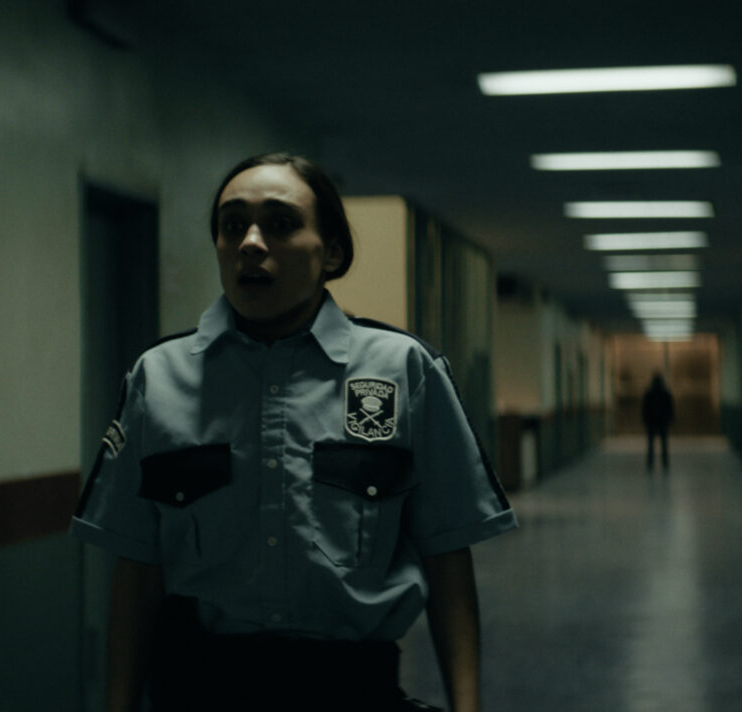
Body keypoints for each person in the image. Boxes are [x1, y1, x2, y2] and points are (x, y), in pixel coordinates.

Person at [71, 153, 517, 712]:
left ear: (331, 252)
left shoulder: (404, 371)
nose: (250, 244)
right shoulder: (159, 378)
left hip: (351, 688)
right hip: (202, 687)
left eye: (280, 224)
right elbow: (137, 570)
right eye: (233, 225)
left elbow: (447, 559)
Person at [642, 373, 675, 471]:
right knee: (663, 445)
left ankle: (650, 463)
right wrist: (669, 419)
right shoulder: (665, 393)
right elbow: (670, 408)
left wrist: (646, 420)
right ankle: (665, 463)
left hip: (652, 422)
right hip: (662, 422)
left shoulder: (649, 393)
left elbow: (645, 409)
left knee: (651, 445)